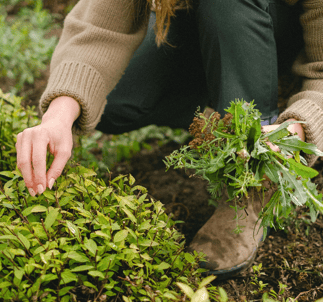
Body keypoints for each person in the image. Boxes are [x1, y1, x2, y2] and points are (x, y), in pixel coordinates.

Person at [16, 0, 323, 279]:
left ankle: (254, 174)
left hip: (279, 37)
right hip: (213, 28)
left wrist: (297, 127)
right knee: (116, 97)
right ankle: (225, 112)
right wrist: (57, 116)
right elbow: (101, 24)